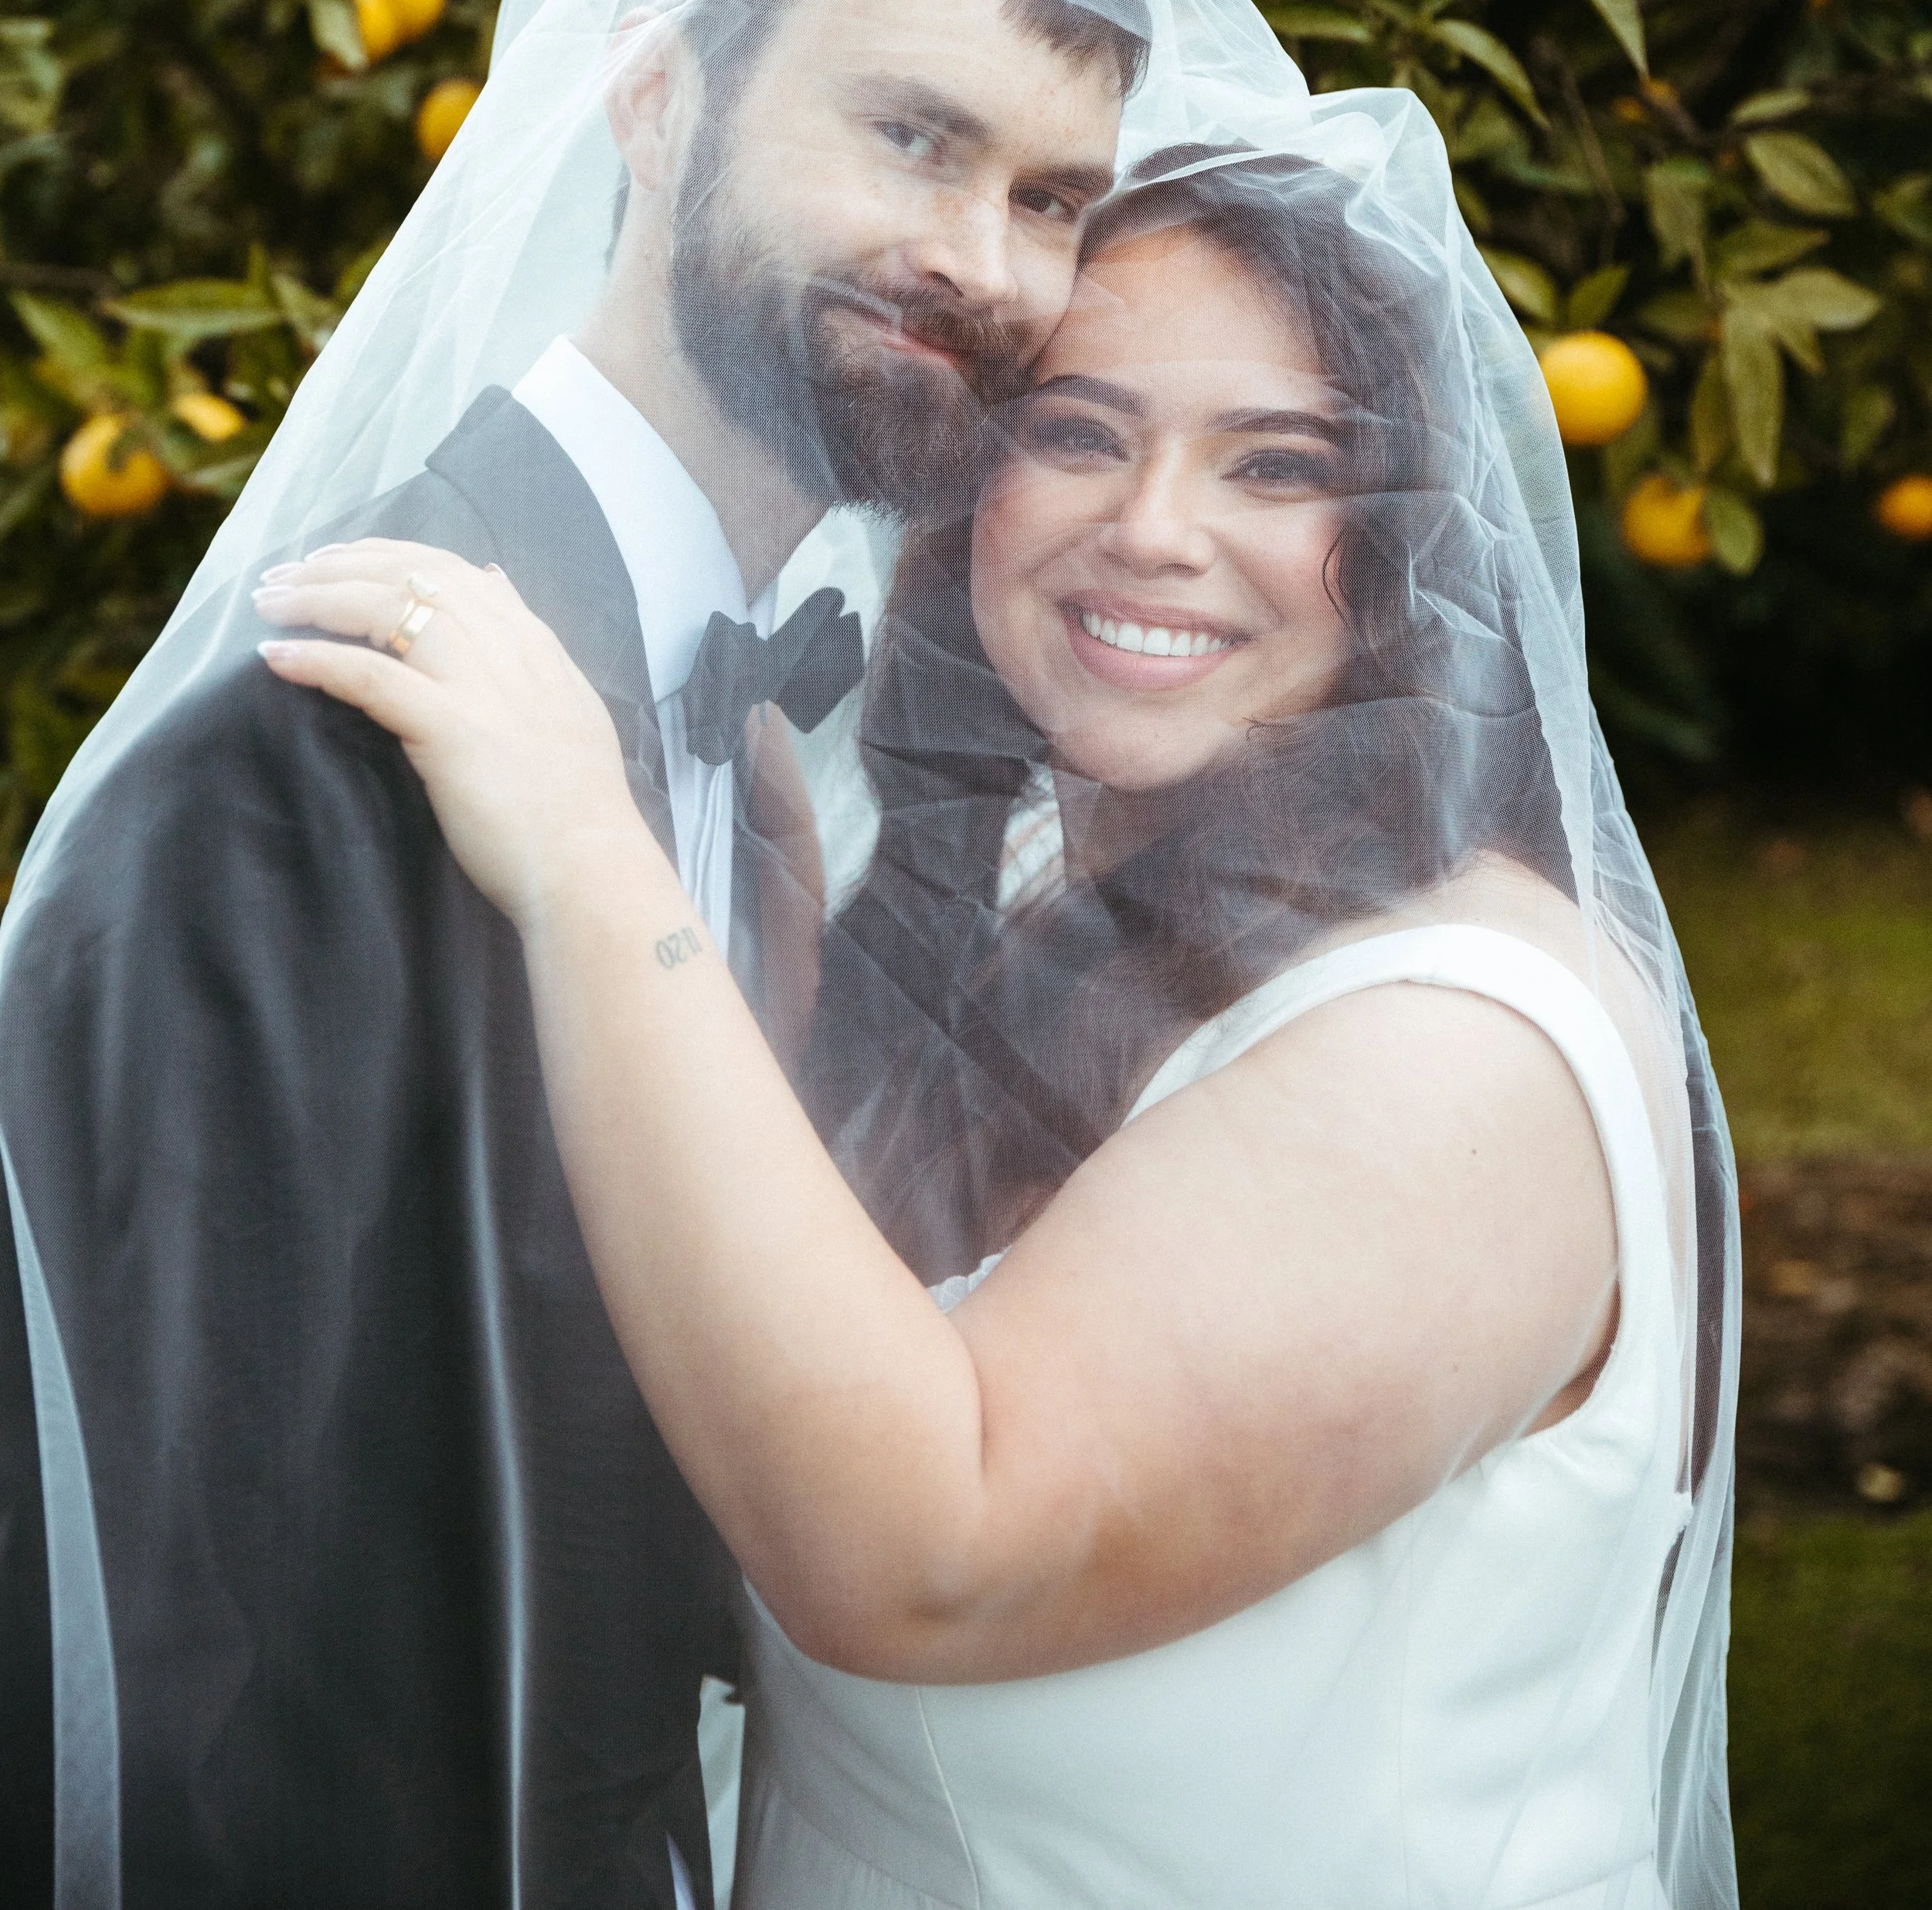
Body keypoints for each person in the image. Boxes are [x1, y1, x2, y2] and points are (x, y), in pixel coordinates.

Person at [249, 104, 1740, 1904]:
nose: (1150, 531)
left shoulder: (1458, 1048)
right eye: (1076, 431)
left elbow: (925, 1550)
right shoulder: (1063, 913)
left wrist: (590, 861)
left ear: (1401, 538)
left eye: (1274, 467)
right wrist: (764, 975)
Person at [0, 0, 1147, 1910]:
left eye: (1050, 193)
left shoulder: (769, 727)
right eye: (911, 135)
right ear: (652, 97)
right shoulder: (316, 750)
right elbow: (160, 1641)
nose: (986, 261)